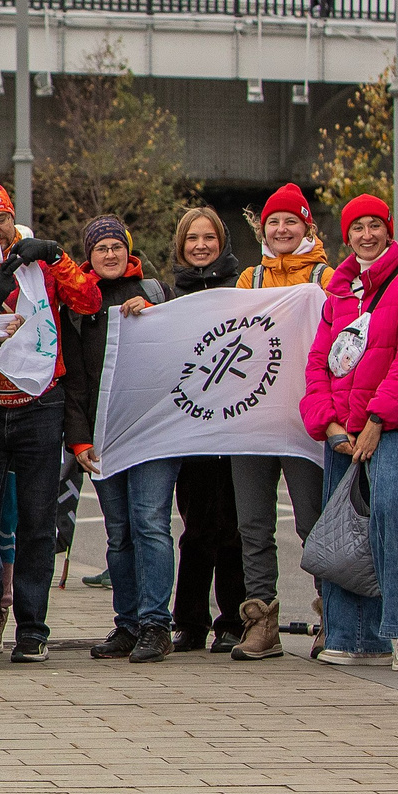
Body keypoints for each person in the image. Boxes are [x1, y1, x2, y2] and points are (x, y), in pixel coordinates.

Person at [0, 179, 101, 664]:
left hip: (41, 404)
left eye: (1, 220)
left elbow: (88, 301)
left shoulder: (41, 260)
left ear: (13, 218)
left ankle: (33, 629)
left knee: (38, 521)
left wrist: (57, 257)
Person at [302, 194, 398, 673]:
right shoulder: (337, 295)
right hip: (345, 427)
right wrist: (330, 423)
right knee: (345, 524)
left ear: (388, 230)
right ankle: (351, 636)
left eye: (374, 226)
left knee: (387, 512)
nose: (366, 235)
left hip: (397, 422)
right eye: (357, 227)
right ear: (347, 236)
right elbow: (318, 365)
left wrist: (377, 420)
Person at [63, 214, 175, 665]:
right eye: (99, 248)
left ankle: (155, 623)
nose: (109, 255)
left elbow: (180, 356)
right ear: (88, 256)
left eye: (115, 246)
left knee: (150, 523)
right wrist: (79, 440)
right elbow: (73, 381)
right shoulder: (77, 305)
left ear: (128, 250)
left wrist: (155, 320)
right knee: (119, 532)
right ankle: (127, 623)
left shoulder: (154, 293)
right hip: (103, 434)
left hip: (151, 432)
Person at [227, 183, 332, 660]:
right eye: (274, 222)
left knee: (314, 523)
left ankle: (333, 616)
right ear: (263, 229)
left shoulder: (328, 278)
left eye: (292, 221)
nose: (283, 229)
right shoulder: (248, 280)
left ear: (307, 226)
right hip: (252, 419)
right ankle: (260, 621)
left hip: (307, 419)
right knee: (253, 525)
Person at [164, 204, 246, 652]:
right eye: (192, 239)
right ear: (181, 246)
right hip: (189, 429)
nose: (200, 246)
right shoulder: (167, 296)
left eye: (209, 238)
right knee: (195, 526)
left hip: (235, 427)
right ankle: (190, 621)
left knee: (233, 527)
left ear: (222, 243)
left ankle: (234, 618)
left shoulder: (243, 289)